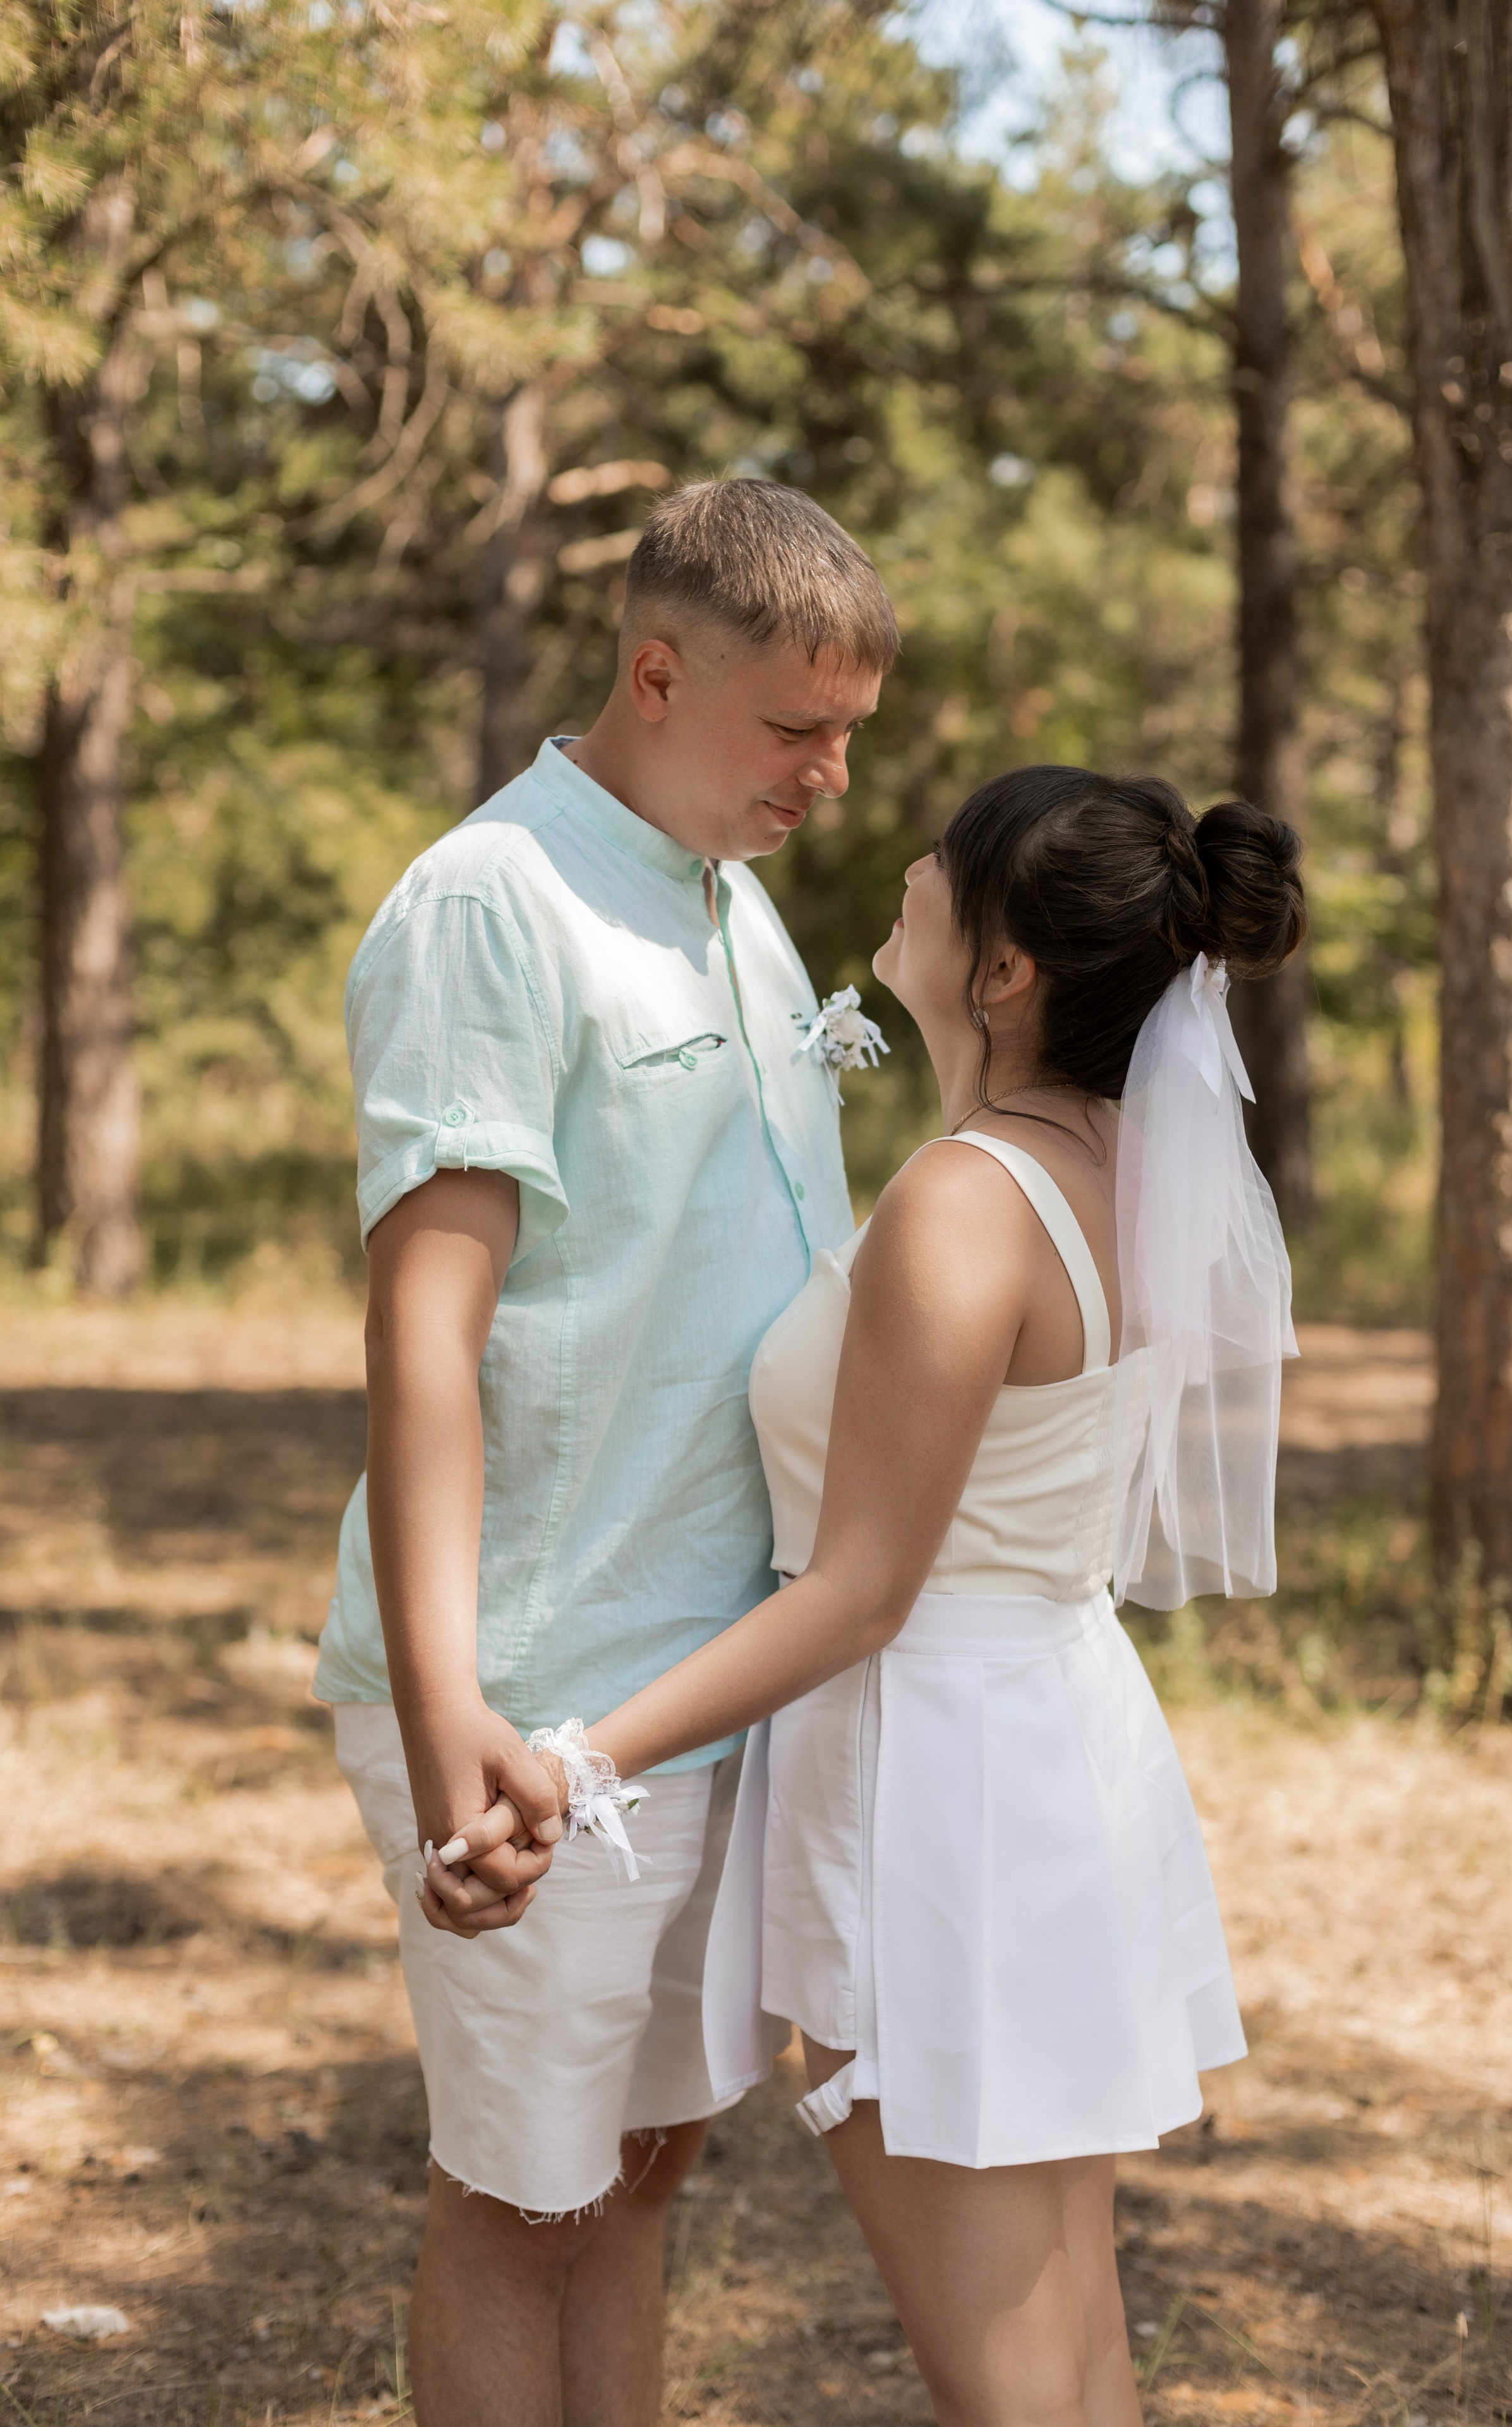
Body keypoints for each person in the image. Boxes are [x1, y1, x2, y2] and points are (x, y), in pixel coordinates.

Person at [428, 764, 1304, 2427]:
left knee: (1010, 2375)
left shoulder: (967, 1205)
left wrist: (577, 1761)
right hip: (1054, 1728)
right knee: (1071, 2338)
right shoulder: (1118, 1166)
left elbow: (862, 1591)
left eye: (947, 858)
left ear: (1005, 971)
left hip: (945, 1786)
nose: (910, 862)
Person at [312, 477, 900, 2427]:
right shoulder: (492, 904)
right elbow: (424, 1331)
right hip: (528, 1687)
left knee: (643, 2178)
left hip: (701, 1686)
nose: (828, 775)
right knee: (522, 2202)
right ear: (656, 675)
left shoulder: (737, 898)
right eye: (795, 728)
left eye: (850, 734)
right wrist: (445, 1706)